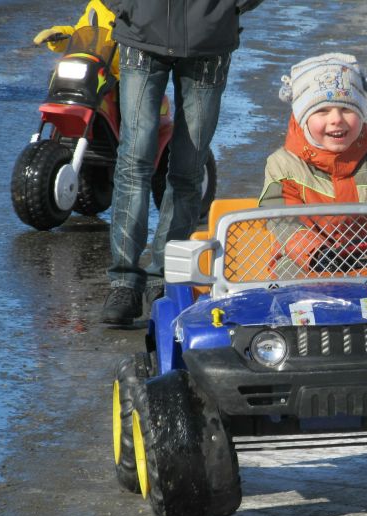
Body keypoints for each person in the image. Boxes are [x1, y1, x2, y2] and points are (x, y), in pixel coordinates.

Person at [99, 0, 265, 325]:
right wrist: (126, 6)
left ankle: (166, 276)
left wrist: (228, 7)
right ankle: (124, 283)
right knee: (134, 162)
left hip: (208, 39)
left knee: (189, 169)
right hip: (141, 34)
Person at [258, 53, 367, 273]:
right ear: (303, 118)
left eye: (347, 109)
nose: (336, 119)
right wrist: (314, 252)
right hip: (306, 260)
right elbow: (283, 219)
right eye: (322, 111)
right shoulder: (282, 164)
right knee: (292, 278)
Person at [33, 0, 118, 78]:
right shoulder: (97, 5)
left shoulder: (130, 10)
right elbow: (82, 35)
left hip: (125, 75)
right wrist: (56, 34)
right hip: (100, 71)